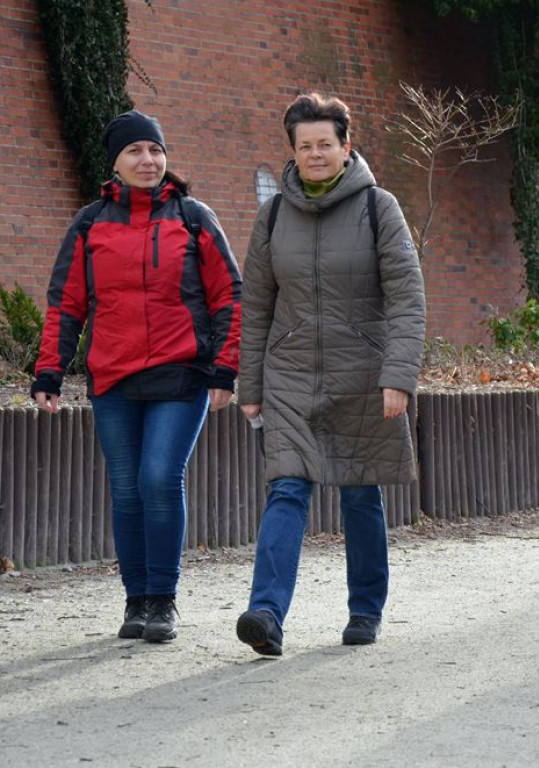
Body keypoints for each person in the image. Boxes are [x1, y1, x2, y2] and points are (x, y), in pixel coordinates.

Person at [30, 109, 242, 642]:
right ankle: (137, 600)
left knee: (158, 479)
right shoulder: (90, 223)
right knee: (125, 488)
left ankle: (164, 601)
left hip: (181, 372)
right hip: (114, 376)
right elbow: (66, 303)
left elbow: (229, 296)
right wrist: (49, 372)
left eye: (155, 150)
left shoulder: (194, 217)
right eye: (135, 152)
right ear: (116, 163)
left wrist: (225, 369)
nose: (148, 160)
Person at [235, 92, 426, 656]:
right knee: (287, 488)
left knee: (360, 492)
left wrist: (398, 375)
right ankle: (266, 613)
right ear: (292, 151)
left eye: (325, 143)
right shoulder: (272, 216)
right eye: (304, 145)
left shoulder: (379, 207)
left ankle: (365, 608)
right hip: (289, 374)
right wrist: (250, 386)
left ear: (346, 146)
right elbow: (257, 306)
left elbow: (407, 297)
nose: (315, 153)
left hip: (362, 372)